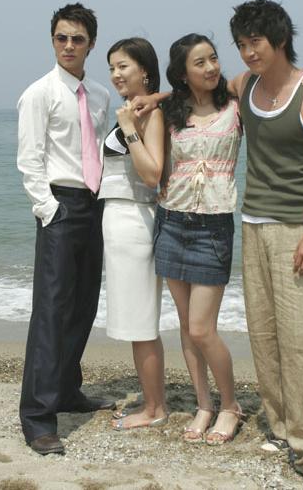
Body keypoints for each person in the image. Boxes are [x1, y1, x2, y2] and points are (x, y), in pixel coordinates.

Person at [229, 0, 303, 484]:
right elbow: (197, 86)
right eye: (241, 44)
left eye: (255, 41)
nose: (248, 52)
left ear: (279, 39)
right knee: (265, 335)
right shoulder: (245, 86)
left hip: (297, 230)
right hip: (252, 227)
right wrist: (154, 98)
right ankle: (282, 426)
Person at [17, 3, 114, 455]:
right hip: (59, 205)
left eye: (77, 39)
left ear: (90, 43)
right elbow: (29, 159)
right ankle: (38, 418)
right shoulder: (39, 93)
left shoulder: (99, 94)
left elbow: (102, 148)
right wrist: (48, 210)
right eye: (61, 38)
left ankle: (68, 390)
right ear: (52, 41)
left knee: (83, 304)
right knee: (52, 311)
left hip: (94, 204)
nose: (69, 45)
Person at [154, 34, 245, 445]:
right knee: (187, 328)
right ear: (182, 73)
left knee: (202, 328)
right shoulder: (171, 113)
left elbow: (269, 82)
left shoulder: (235, 105)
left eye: (213, 58)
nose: (210, 68)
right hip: (172, 221)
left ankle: (231, 405)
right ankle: (204, 405)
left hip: (213, 227)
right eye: (199, 62)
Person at [101, 38, 167, 430]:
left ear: (144, 70)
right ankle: (152, 402)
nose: (115, 74)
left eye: (123, 66)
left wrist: (128, 128)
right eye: (111, 67)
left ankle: (155, 409)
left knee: (140, 324)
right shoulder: (137, 109)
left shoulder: (147, 115)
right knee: (135, 322)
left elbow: (152, 172)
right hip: (120, 219)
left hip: (135, 219)